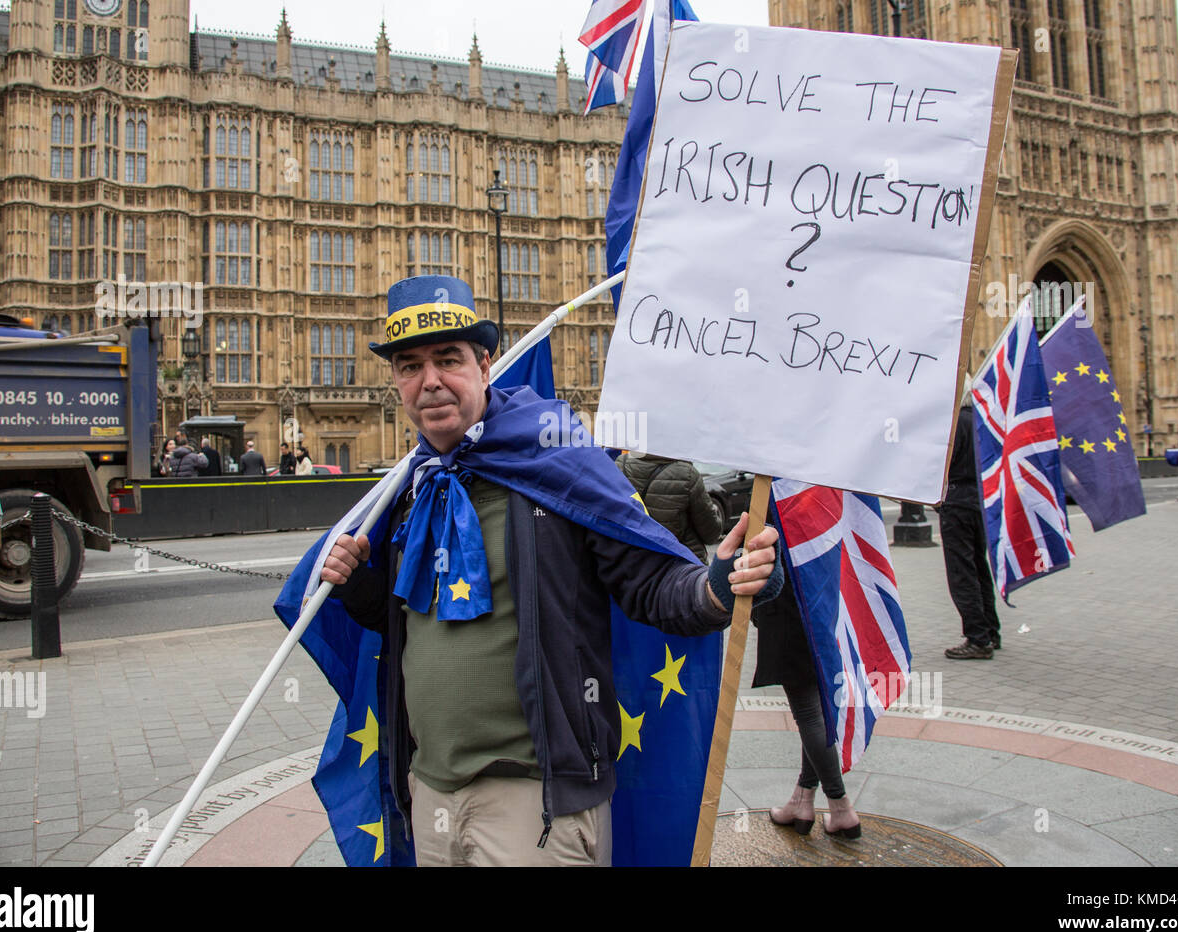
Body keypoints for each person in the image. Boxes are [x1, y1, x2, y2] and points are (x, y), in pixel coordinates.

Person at [320, 275, 782, 867]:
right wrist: (359, 583)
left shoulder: (558, 460)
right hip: (429, 789)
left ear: (485, 364)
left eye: (447, 360)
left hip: (536, 803)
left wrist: (718, 585)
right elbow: (407, 623)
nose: (429, 380)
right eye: (410, 366)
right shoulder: (410, 488)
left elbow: (650, 585)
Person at [751, 580, 861, 839]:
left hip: (789, 600)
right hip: (817, 594)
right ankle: (803, 798)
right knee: (813, 706)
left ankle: (840, 805)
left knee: (808, 711)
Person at [942, 382, 1000, 660]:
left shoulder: (953, 425)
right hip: (982, 499)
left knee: (962, 572)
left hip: (957, 502)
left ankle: (977, 637)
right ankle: (991, 630)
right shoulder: (983, 423)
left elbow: (943, 465)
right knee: (980, 567)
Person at [616, 453, 724, 562]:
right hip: (680, 564)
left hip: (634, 561)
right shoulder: (687, 474)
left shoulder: (622, 464)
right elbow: (711, 534)